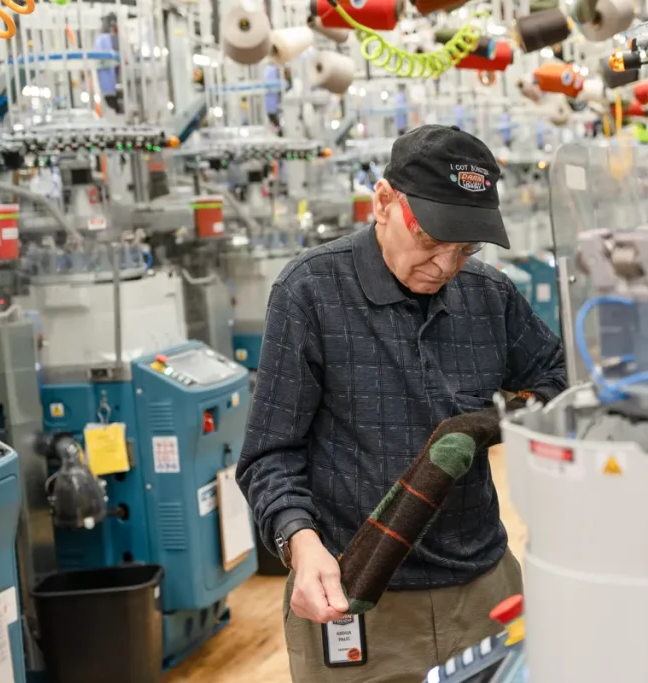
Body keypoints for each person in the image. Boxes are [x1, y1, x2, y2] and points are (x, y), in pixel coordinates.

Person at [237, 124, 567, 683]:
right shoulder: (309, 293)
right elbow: (269, 455)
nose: (446, 266)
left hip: (481, 589)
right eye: (433, 241)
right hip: (355, 594)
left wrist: (489, 424)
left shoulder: (490, 297)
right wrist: (300, 542)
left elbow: (559, 381)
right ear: (384, 202)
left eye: (465, 248)